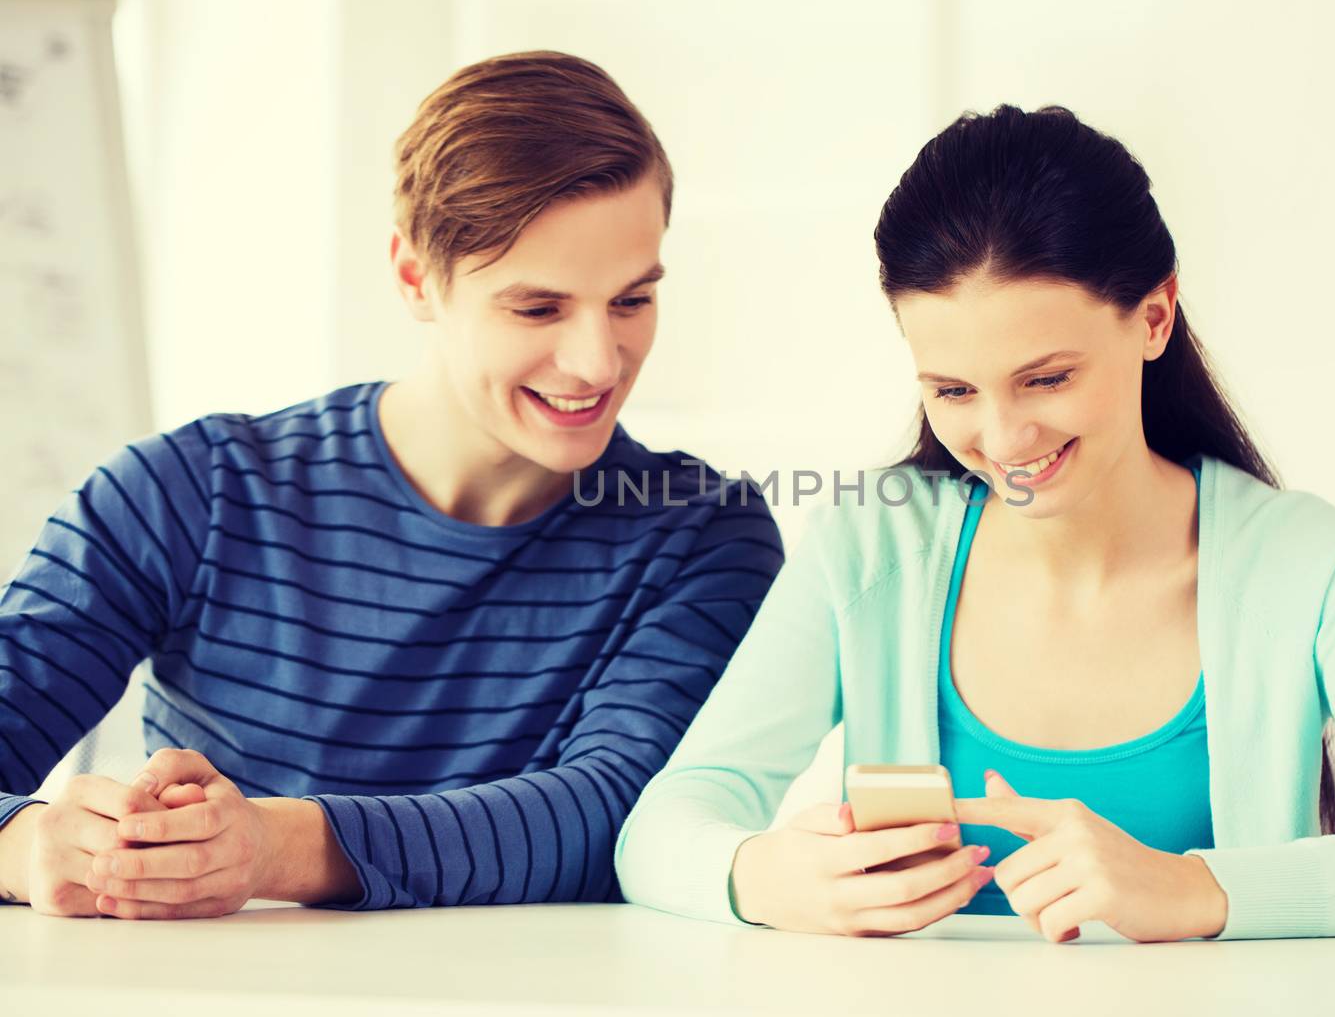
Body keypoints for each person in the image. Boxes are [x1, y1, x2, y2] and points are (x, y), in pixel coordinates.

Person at [613, 104, 1335, 942]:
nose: (1002, 436)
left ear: (1153, 316)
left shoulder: (1315, 565)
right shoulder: (870, 549)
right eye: (952, 390)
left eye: (1047, 378)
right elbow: (663, 827)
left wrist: (1193, 889)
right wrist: (758, 875)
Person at [0, 51, 782, 918]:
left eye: (632, 300)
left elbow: (621, 815)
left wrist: (269, 847)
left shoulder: (702, 534)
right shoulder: (187, 494)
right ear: (416, 276)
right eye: (539, 308)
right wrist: (27, 843)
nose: (598, 361)